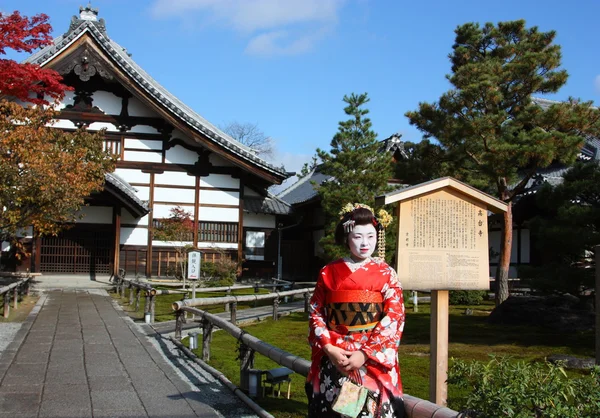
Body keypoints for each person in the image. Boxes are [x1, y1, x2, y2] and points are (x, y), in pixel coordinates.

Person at [306, 203, 405, 418]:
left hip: (371, 359)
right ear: (346, 237)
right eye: (358, 237)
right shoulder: (328, 272)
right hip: (336, 356)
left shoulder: (386, 273)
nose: (364, 243)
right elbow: (316, 310)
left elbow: (395, 316)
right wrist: (328, 348)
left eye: (370, 236)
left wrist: (365, 353)